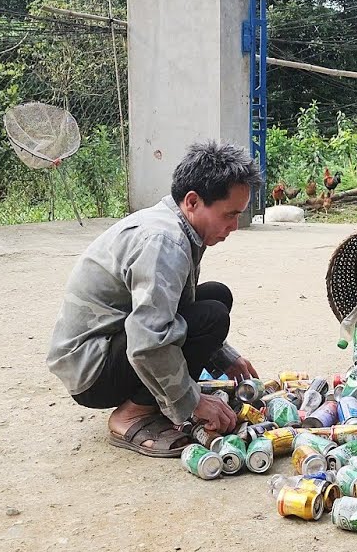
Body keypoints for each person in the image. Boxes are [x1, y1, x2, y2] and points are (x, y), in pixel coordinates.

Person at [46, 141, 260, 457]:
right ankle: (131, 414)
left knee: (216, 297)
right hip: (92, 372)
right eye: (230, 215)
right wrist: (194, 401)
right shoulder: (165, 242)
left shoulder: (176, 225)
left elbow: (171, 308)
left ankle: (158, 397)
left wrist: (224, 356)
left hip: (113, 345)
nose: (234, 227)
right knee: (211, 316)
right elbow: (149, 341)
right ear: (192, 201)